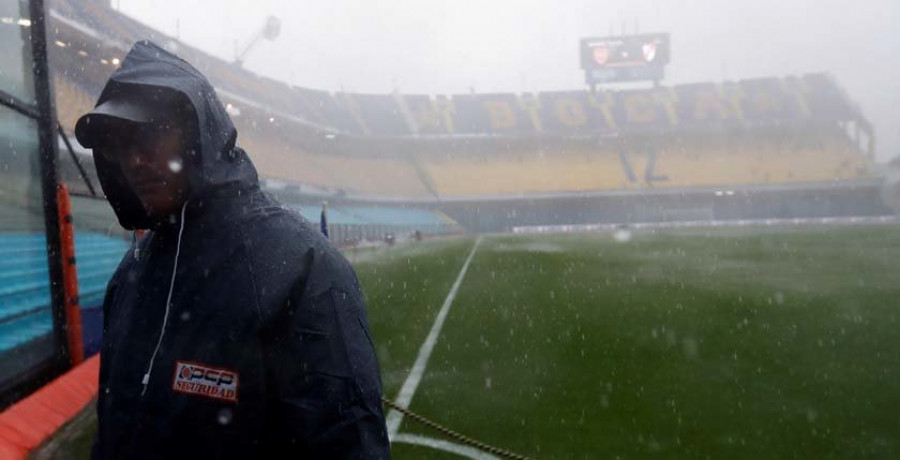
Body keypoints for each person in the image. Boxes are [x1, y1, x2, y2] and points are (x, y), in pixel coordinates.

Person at [75, 40, 390, 459]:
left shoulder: (303, 268)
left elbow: (347, 445)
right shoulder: (130, 277)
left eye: (152, 132)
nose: (135, 159)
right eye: (122, 142)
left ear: (198, 134)